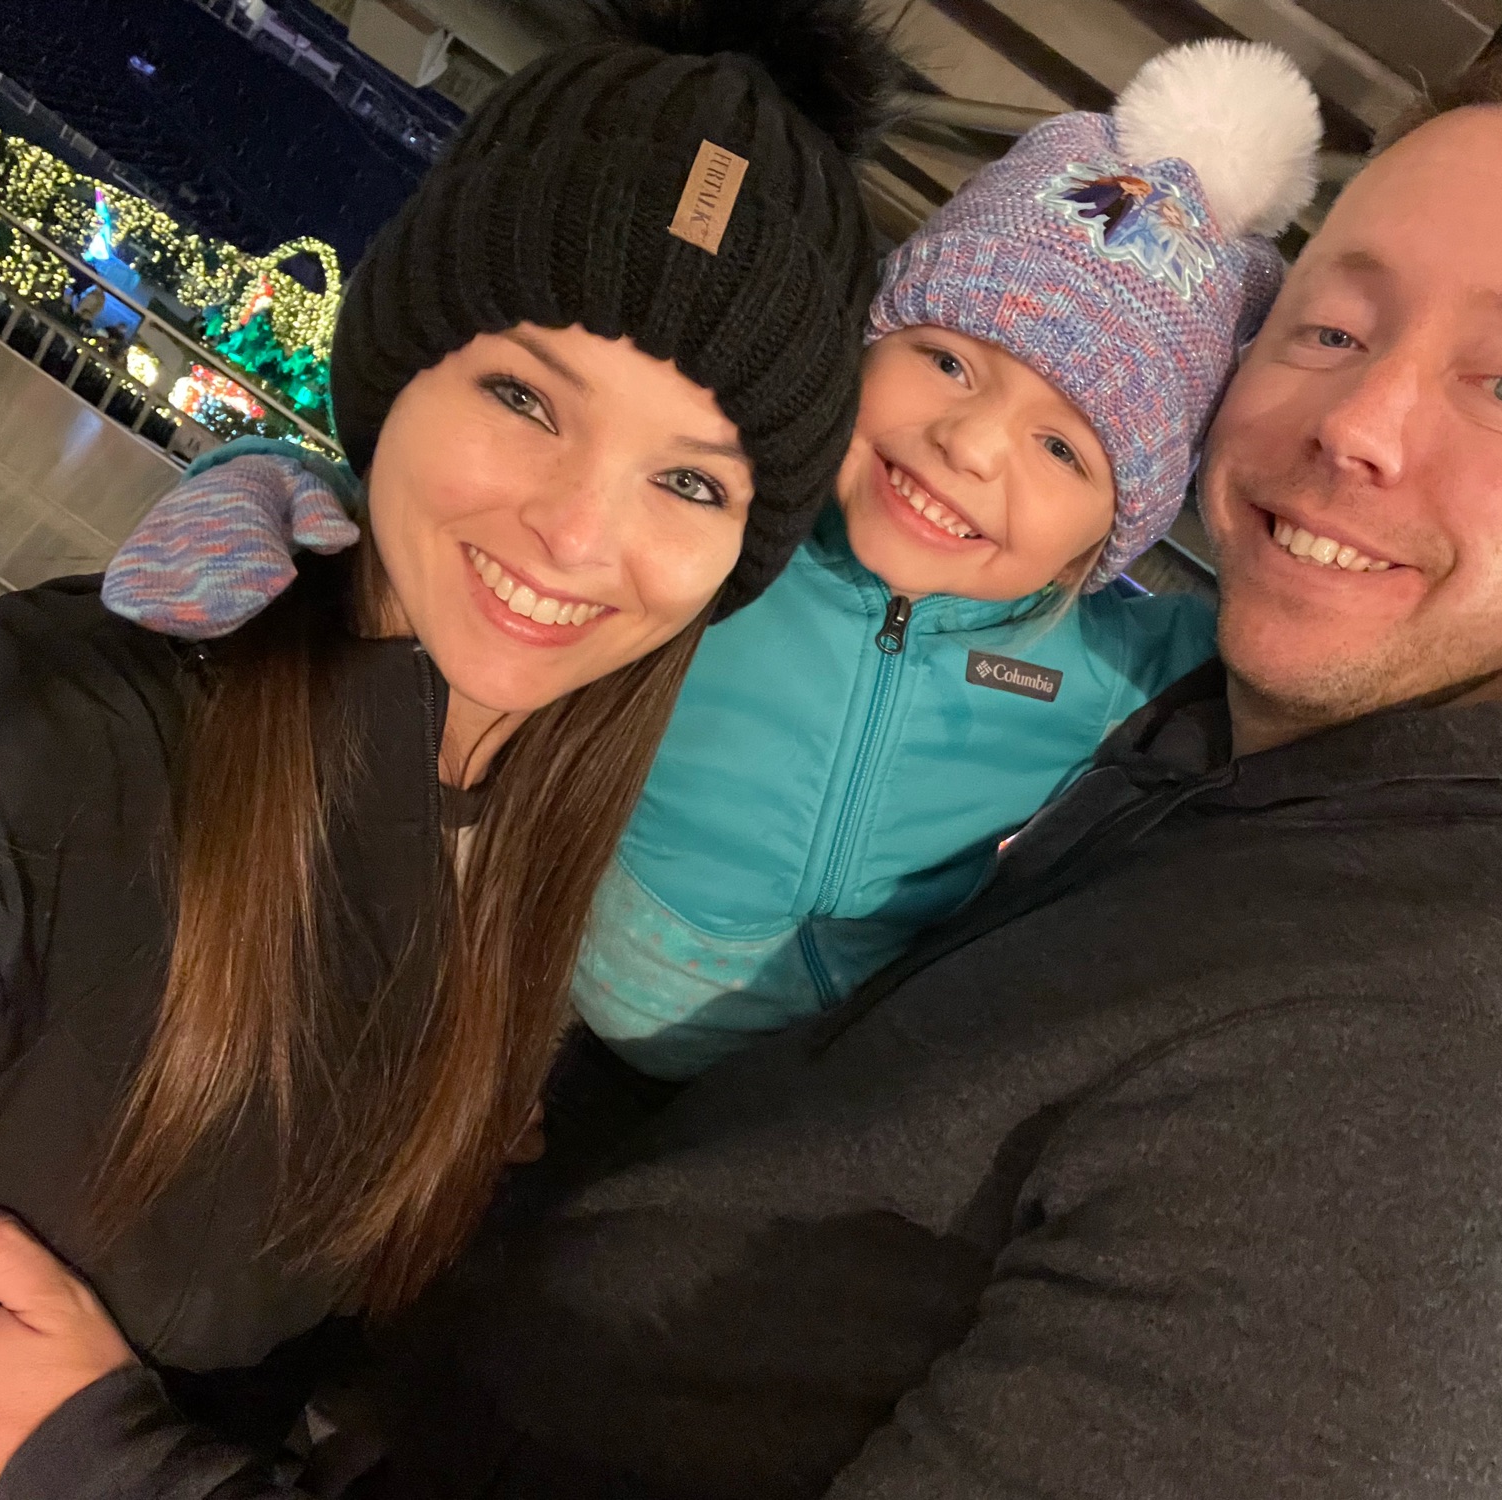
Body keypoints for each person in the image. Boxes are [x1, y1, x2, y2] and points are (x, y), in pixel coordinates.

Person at [0, 43, 1502, 1500]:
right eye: (1334, 325)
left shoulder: (1495, 1103)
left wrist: (83, 1470)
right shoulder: (1209, 791)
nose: (1362, 420)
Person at [0, 0, 887, 1481]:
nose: (576, 532)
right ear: (398, 371)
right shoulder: (80, 735)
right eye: (524, 396)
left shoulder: (514, 879)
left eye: (689, 484)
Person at [95, 39, 1322, 1080]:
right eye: (947, 361)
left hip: (788, 1090)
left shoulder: (1110, 667)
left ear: (1114, 529)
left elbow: (1314, 659)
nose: (970, 444)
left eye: (1062, 448)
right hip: (527, 996)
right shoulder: (726, 538)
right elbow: (448, 508)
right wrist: (262, 487)